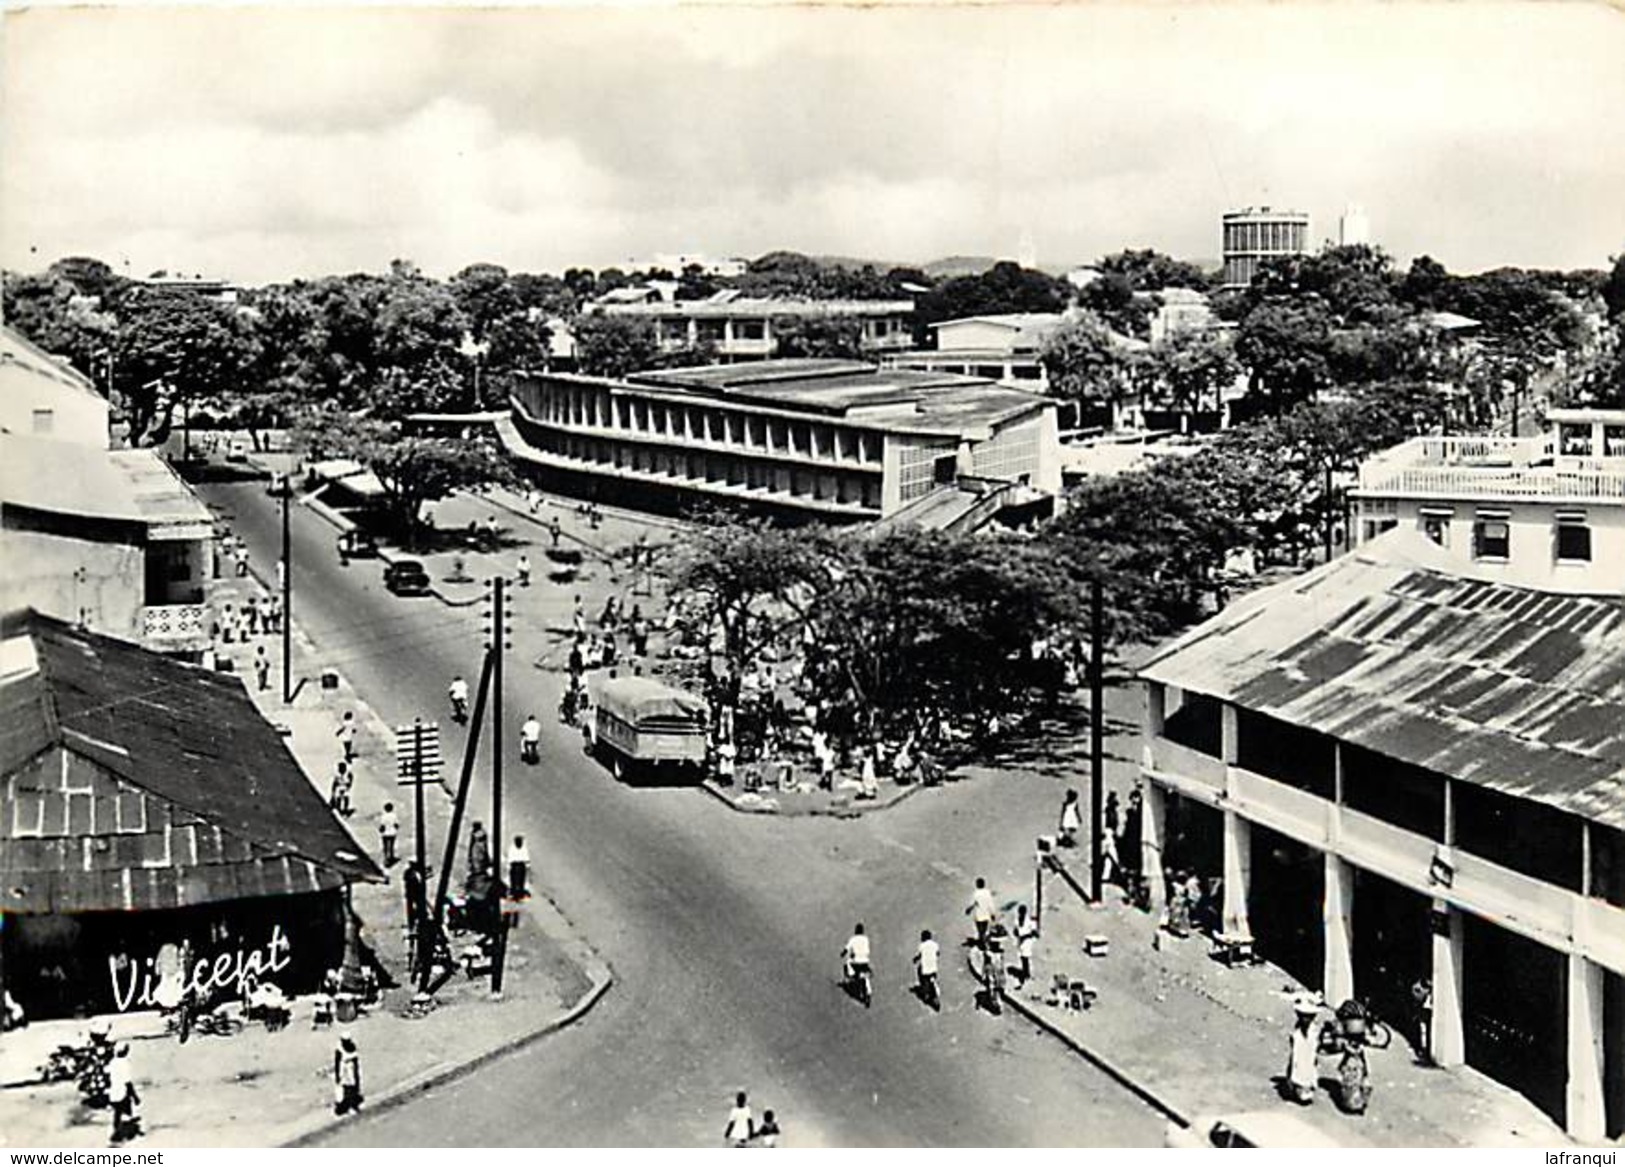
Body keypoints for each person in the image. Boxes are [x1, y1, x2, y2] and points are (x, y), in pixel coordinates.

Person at [1285, 996, 1320, 1105]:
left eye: (1309, 1017)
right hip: (1299, 1057)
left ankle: (1306, 1089)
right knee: (1298, 1069)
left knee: (1308, 1070)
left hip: (1309, 1056)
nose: (1306, 1019)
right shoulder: (1296, 1033)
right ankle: (1296, 1089)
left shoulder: (1314, 1031)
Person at [108, 1042, 140, 1142]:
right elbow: (127, 1082)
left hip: (113, 1092)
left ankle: (117, 1132)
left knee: (117, 1113)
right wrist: (134, 1096)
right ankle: (126, 1134)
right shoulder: (124, 1064)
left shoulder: (112, 1062)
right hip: (122, 1092)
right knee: (127, 1112)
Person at [333, 1031, 363, 1116]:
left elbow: (355, 1060)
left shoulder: (352, 1047)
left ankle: (352, 1106)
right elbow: (337, 1062)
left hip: (351, 1068)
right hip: (344, 1068)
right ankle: (345, 1106)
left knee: (352, 1087)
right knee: (345, 1088)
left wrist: (356, 1072)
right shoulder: (339, 1049)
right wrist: (338, 1074)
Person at [842, 923, 872, 1003]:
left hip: (856, 961)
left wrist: (843, 953)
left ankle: (852, 975)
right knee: (866, 976)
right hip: (865, 961)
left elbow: (846, 949)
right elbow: (867, 950)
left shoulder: (853, 939)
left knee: (848, 963)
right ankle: (868, 992)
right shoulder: (866, 939)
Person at [914, 929, 941, 1009]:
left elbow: (919, 955)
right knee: (933, 978)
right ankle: (934, 990)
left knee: (923, 978)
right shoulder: (935, 944)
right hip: (933, 968)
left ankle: (926, 994)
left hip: (925, 969)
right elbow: (938, 953)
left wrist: (915, 959)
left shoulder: (921, 945)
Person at [1013, 903, 1038, 986]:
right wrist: (1016, 933)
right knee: (1022, 957)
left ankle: (1026, 973)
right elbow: (1015, 930)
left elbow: (1034, 933)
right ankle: (1025, 972)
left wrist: (1025, 936)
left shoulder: (1029, 921)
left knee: (1025, 958)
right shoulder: (1017, 920)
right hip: (1020, 942)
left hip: (1027, 942)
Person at [968, 877, 997, 947]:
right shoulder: (987, 893)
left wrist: (969, 909)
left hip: (978, 915)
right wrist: (992, 914)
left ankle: (981, 941)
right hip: (986, 915)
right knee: (983, 929)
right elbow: (991, 904)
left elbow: (973, 903)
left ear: (977, 885)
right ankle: (982, 941)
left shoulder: (976, 893)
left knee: (979, 929)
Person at [506, 834, 531, 899]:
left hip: (521, 865)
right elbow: (510, 859)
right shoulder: (512, 848)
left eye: (520, 841)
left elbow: (527, 858)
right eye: (518, 841)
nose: (519, 843)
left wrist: (527, 865)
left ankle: (520, 891)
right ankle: (514, 891)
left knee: (521, 879)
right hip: (514, 865)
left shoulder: (524, 848)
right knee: (513, 879)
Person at [378, 802, 400, 867]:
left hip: (385, 833)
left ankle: (386, 858)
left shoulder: (384, 816)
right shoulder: (394, 816)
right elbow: (396, 825)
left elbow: (382, 826)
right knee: (391, 846)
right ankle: (391, 857)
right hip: (392, 833)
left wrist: (380, 830)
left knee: (385, 846)